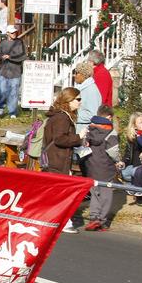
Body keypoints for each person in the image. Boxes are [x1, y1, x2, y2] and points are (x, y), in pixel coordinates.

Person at [41, 87, 84, 233]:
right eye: (78, 99)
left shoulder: (60, 116)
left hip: (56, 159)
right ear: (68, 100)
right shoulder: (62, 117)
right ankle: (64, 223)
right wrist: (79, 137)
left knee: (56, 194)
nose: (80, 102)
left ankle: (53, 220)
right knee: (63, 194)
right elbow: (60, 139)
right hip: (58, 160)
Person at [84, 110, 121, 231]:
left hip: (91, 166)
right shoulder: (111, 132)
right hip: (106, 167)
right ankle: (102, 220)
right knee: (106, 194)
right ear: (109, 117)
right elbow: (113, 151)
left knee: (95, 193)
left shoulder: (90, 129)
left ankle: (93, 216)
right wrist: (118, 161)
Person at [0, 25, 26, 117]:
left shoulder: (20, 42)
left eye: (15, 32)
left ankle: (12, 112)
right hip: (3, 71)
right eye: (12, 32)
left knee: (13, 93)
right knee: (2, 91)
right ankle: (1, 107)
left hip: (15, 72)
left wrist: (10, 57)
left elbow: (23, 56)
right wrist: (1, 57)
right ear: (7, 33)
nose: (14, 34)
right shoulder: (2, 43)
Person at [72, 61, 101, 134]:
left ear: (83, 75)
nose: (74, 75)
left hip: (85, 131)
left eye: (76, 73)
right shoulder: (83, 88)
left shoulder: (91, 90)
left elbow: (93, 114)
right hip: (80, 129)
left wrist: (73, 116)